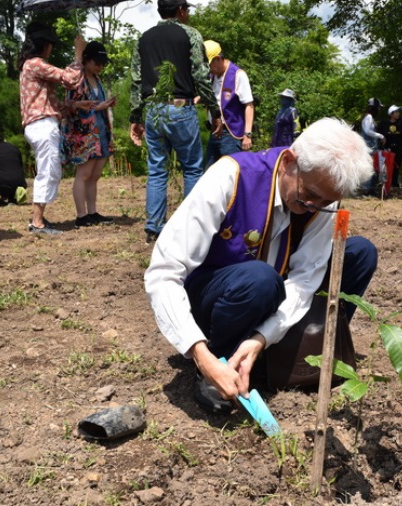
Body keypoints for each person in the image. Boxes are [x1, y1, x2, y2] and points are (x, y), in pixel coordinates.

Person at [145, 118, 378, 414]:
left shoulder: (320, 202)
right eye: (309, 194)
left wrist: (261, 338)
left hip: (271, 299)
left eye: (326, 200)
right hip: (215, 300)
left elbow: (305, 282)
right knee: (261, 278)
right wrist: (200, 355)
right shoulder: (231, 177)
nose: (314, 206)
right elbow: (163, 273)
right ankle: (221, 362)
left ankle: (284, 352)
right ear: (289, 162)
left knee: (359, 253)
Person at [129, 0, 222, 244]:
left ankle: (154, 228)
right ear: (180, 10)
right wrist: (215, 110)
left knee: (157, 170)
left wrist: (135, 116)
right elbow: (201, 76)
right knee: (192, 168)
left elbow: (137, 80)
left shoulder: (144, 38)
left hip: (153, 110)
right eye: (187, 9)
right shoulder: (190, 34)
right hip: (181, 108)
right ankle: (189, 226)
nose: (189, 13)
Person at [19, 22, 85, 235]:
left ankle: (38, 219)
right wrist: (78, 54)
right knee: (48, 172)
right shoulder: (35, 64)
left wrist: (75, 105)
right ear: (45, 45)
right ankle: (37, 223)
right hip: (42, 125)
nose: (52, 49)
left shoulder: (30, 66)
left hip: (39, 124)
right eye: (51, 45)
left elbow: (53, 105)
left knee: (50, 171)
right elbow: (70, 79)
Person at [62, 41, 117, 228]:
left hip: (100, 129)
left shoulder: (97, 79)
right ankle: (81, 215)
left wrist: (105, 105)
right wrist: (97, 107)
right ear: (86, 60)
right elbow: (70, 105)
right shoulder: (77, 77)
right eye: (97, 62)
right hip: (84, 133)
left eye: (103, 63)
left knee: (95, 175)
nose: (100, 67)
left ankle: (92, 212)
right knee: (84, 174)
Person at [202, 40, 255, 170]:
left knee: (231, 174)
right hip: (214, 131)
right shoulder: (212, 77)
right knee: (209, 172)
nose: (208, 69)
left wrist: (247, 135)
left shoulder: (238, 75)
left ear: (218, 59)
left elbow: (249, 105)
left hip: (231, 133)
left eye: (210, 65)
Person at [377, 104, 402, 189]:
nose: (398, 114)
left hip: (399, 148)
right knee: (387, 167)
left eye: (398, 112)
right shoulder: (384, 124)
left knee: (397, 166)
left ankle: (395, 184)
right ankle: (385, 184)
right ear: (391, 114)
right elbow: (379, 135)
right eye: (396, 112)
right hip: (387, 148)